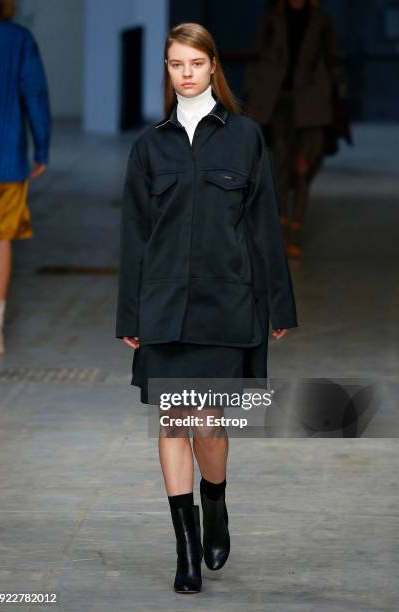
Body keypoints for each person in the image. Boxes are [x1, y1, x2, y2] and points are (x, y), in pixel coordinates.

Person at [115, 22, 298, 594]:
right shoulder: (150, 147)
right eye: (176, 64)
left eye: (195, 62)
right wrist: (129, 316)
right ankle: (187, 549)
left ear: (213, 65)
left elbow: (263, 222)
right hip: (165, 305)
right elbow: (134, 236)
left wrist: (278, 302)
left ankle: (214, 504)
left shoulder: (245, 138)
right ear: (168, 71)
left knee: (208, 423)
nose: (186, 72)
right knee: (174, 420)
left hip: (227, 302)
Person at [244, 0, 347, 258]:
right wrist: (253, 93)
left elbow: (332, 58)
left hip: (312, 100)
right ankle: (278, 236)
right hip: (275, 100)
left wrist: (337, 95)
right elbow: (259, 56)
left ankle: (294, 236)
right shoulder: (273, 18)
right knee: (278, 165)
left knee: (302, 166)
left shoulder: (321, 20)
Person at [0, 0, 51, 356]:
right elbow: (35, 96)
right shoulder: (20, 39)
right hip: (7, 160)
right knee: (1, 239)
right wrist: (42, 149)